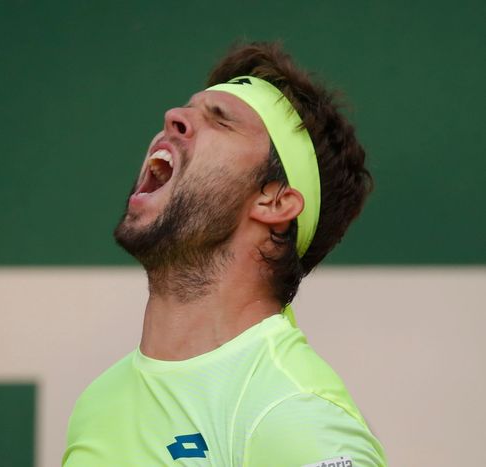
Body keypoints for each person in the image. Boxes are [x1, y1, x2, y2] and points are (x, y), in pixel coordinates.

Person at [62, 41, 387, 466]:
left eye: (221, 121)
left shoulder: (293, 414)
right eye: (188, 110)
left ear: (274, 202)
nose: (173, 118)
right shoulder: (98, 405)